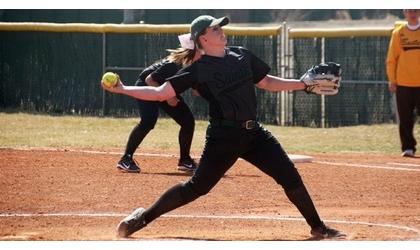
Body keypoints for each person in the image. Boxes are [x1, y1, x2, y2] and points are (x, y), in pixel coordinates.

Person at [103, 15, 345, 239]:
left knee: (289, 177)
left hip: (254, 133)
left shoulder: (241, 54)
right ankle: (141, 219)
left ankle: (319, 228)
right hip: (223, 137)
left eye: (221, 27)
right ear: (203, 39)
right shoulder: (198, 69)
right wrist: (123, 89)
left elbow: (266, 82)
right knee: (196, 188)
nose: (221, 31)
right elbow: (160, 92)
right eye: (215, 28)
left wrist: (301, 85)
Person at [116, 40, 202, 173]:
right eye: (201, 49)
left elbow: (196, 91)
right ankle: (126, 159)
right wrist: (169, 97)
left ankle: (185, 160)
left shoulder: (195, 66)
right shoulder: (173, 64)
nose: (205, 51)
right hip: (147, 86)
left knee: (188, 121)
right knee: (148, 121)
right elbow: (149, 80)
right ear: (193, 51)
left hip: (167, 90)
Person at [386, 9, 420, 157]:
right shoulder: (398, 33)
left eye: (416, 10)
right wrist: (392, 80)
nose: (412, 13)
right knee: (405, 118)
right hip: (403, 83)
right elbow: (391, 59)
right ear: (404, 12)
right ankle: (408, 148)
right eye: (409, 10)